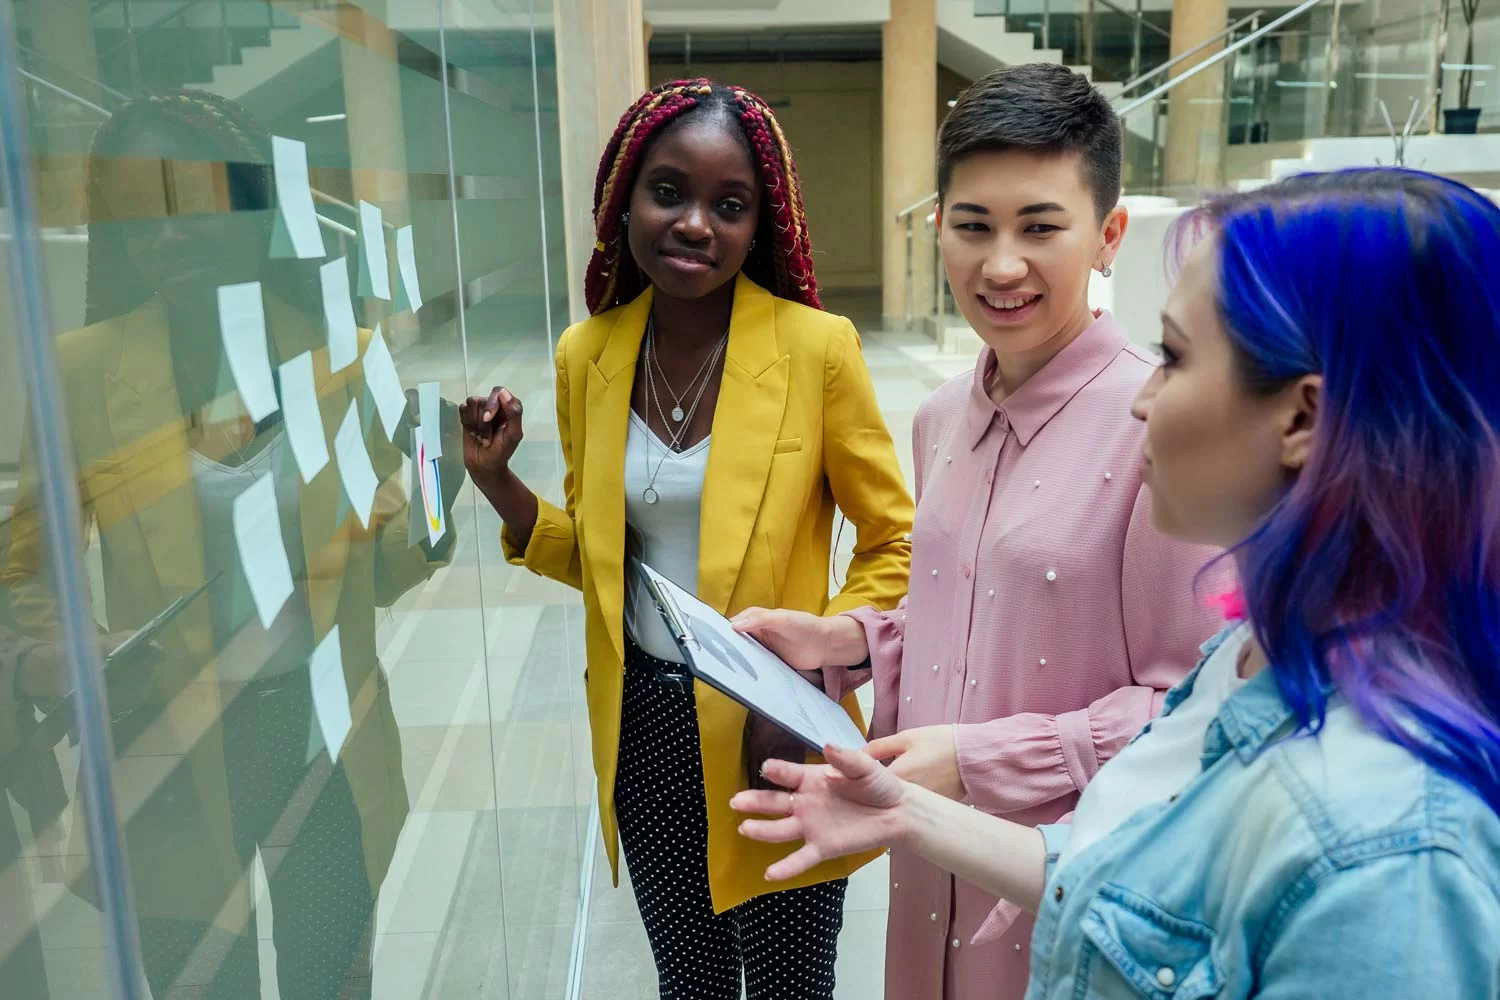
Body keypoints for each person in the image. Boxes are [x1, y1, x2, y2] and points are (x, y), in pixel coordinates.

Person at [733, 167, 1500, 997]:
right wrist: (905, 803)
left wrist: (977, 763)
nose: (1142, 401)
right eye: (972, 225)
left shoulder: (1386, 855)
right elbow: (1132, 862)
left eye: (1173, 357)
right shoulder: (1250, 656)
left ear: (1304, 419)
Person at [733, 64, 1224, 998]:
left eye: (1041, 227)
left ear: (1109, 235)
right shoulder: (940, 417)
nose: (1002, 265)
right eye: (974, 227)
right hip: (923, 882)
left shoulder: (1160, 427)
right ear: (936, 228)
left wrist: (973, 760)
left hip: (1057, 898)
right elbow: (971, 620)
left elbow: (1196, 714)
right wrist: (849, 640)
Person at [1, 91, 463, 999]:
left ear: (252, 211)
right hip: (167, 740)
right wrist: (56, 652)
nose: (164, 238)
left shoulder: (344, 353)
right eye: (137, 218)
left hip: (321, 726)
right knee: (200, 985)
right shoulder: (81, 371)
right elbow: (30, 559)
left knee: (329, 978)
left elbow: (380, 559)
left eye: (190, 205)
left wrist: (445, 491)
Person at [458, 79, 913, 999]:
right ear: (623, 197)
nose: (696, 223)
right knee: (692, 983)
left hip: (770, 726)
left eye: (729, 205)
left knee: (791, 983)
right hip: (644, 728)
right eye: (670, 191)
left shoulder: (817, 349)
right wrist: (498, 483)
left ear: (759, 226)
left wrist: (826, 663)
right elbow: (598, 556)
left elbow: (893, 541)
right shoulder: (588, 355)